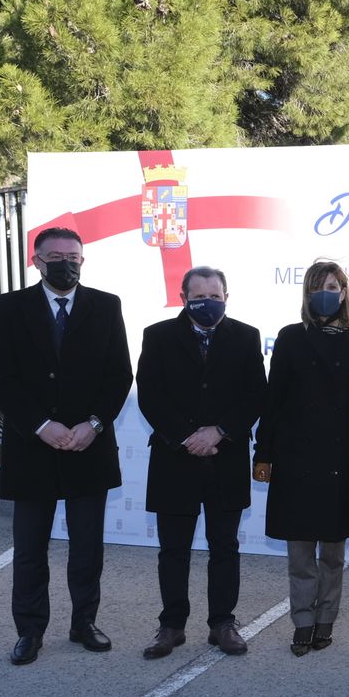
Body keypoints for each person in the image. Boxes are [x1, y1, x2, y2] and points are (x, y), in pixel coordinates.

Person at [0, 227, 133, 666]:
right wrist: (41, 425)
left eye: (73, 255)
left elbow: (118, 375)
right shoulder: (10, 307)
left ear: (82, 260)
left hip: (88, 446)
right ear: (37, 260)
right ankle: (29, 631)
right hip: (33, 449)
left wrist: (93, 424)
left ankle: (84, 623)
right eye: (56, 255)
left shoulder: (106, 306)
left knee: (87, 549)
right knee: (30, 550)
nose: (66, 262)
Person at [135, 267, 266, 658]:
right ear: (183, 296)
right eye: (200, 295)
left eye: (216, 294)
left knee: (224, 546)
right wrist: (187, 437)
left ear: (227, 296)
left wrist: (220, 431)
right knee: (172, 549)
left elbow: (256, 394)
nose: (208, 301)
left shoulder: (246, 336)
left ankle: (223, 623)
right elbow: (150, 394)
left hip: (226, 460)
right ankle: (171, 626)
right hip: (175, 459)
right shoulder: (157, 335)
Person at [255, 260, 349, 656]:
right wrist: (263, 453)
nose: (326, 293)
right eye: (319, 286)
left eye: (333, 285)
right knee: (300, 553)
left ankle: (326, 620)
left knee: (333, 553)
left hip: (340, 459)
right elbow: (274, 400)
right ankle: (302, 621)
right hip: (295, 458)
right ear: (307, 293)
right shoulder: (289, 337)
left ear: (344, 291)